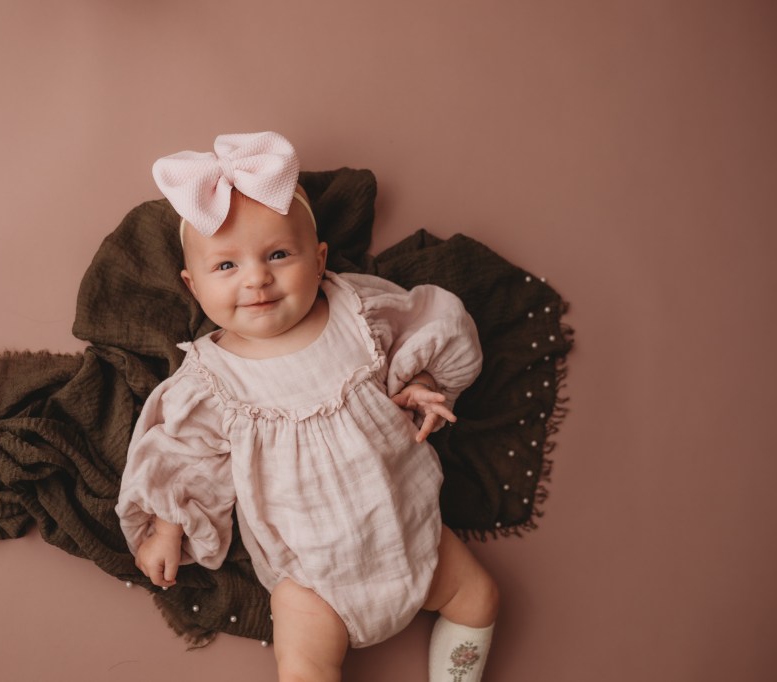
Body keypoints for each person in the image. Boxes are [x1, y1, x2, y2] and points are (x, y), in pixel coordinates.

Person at [117, 132, 498, 682]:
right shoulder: (209, 380)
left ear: (318, 261)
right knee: (304, 668)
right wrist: (167, 528)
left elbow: (426, 328)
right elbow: (183, 455)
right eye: (225, 266)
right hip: (310, 579)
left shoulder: (357, 312)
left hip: (412, 532)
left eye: (278, 255)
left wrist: (419, 381)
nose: (257, 278)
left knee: (480, 598)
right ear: (192, 287)